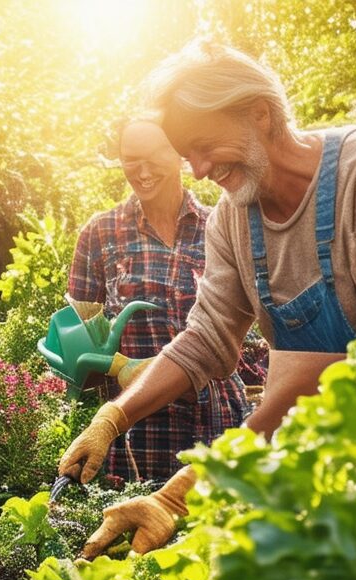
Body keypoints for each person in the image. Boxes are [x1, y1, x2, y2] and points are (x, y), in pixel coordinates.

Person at [63, 41, 356, 557]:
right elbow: (205, 342)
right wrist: (112, 419)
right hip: (351, 402)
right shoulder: (233, 223)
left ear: (259, 114)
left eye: (202, 145)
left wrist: (198, 481)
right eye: (186, 153)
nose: (196, 169)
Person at [68, 118, 248, 482]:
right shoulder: (101, 234)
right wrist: (121, 368)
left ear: (180, 155)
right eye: (131, 159)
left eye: (154, 157)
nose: (143, 171)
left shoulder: (223, 226)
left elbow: (251, 330)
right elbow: (73, 343)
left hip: (218, 423)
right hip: (137, 434)